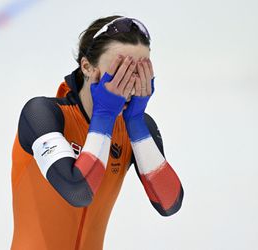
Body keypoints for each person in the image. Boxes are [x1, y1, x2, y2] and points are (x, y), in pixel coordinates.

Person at [10, 15, 184, 250]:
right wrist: (104, 115)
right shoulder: (42, 114)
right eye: (121, 68)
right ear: (87, 67)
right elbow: (78, 191)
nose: (130, 82)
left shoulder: (135, 127)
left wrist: (135, 122)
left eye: (139, 70)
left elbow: (169, 203)